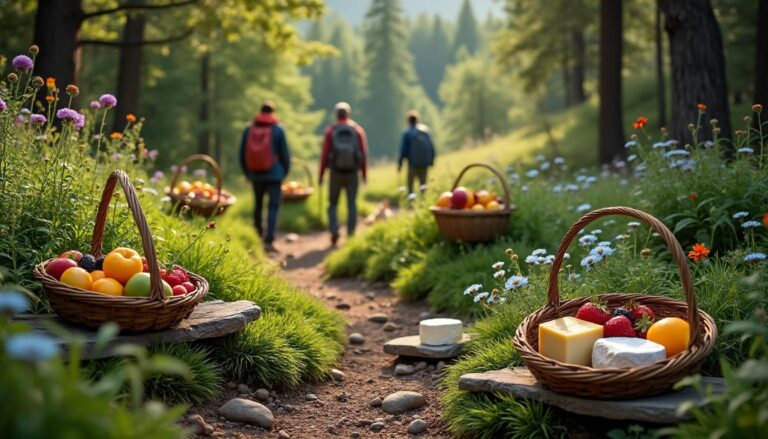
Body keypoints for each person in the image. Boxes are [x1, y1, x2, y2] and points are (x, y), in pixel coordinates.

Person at [239, 101, 290, 252]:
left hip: (255, 174)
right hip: (275, 175)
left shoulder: (249, 129)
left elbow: (242, 154)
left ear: (260, 112)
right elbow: (285, 154)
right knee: (273, 207)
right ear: (273, 112)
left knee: (258, 205)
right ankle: (269, 240)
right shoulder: (278, 129)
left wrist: (248, 173)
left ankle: (257, 236)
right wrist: (284, 172)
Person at [319, 102, 368, 246]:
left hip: (335, 173)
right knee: (351, 204)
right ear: (348, 114)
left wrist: (321, 174)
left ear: (336, 114)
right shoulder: (357, 130)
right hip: (353, 173)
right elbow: (363, 154)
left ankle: (334, 230)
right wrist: (364, 174)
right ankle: (351, 234)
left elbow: (325, 154)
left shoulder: (331, 130)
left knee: (332, 204)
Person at [397, 110, 435, 194]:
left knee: (410, 184)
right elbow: (432, 147)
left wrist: (400, 163)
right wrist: (431, 160)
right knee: (423, 185)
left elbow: (404, 149)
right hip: (425, 163)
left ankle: (411, 203)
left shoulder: (407, 133)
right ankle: (423, 202)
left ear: (408, 121)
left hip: (413, 163)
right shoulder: (425, 131)